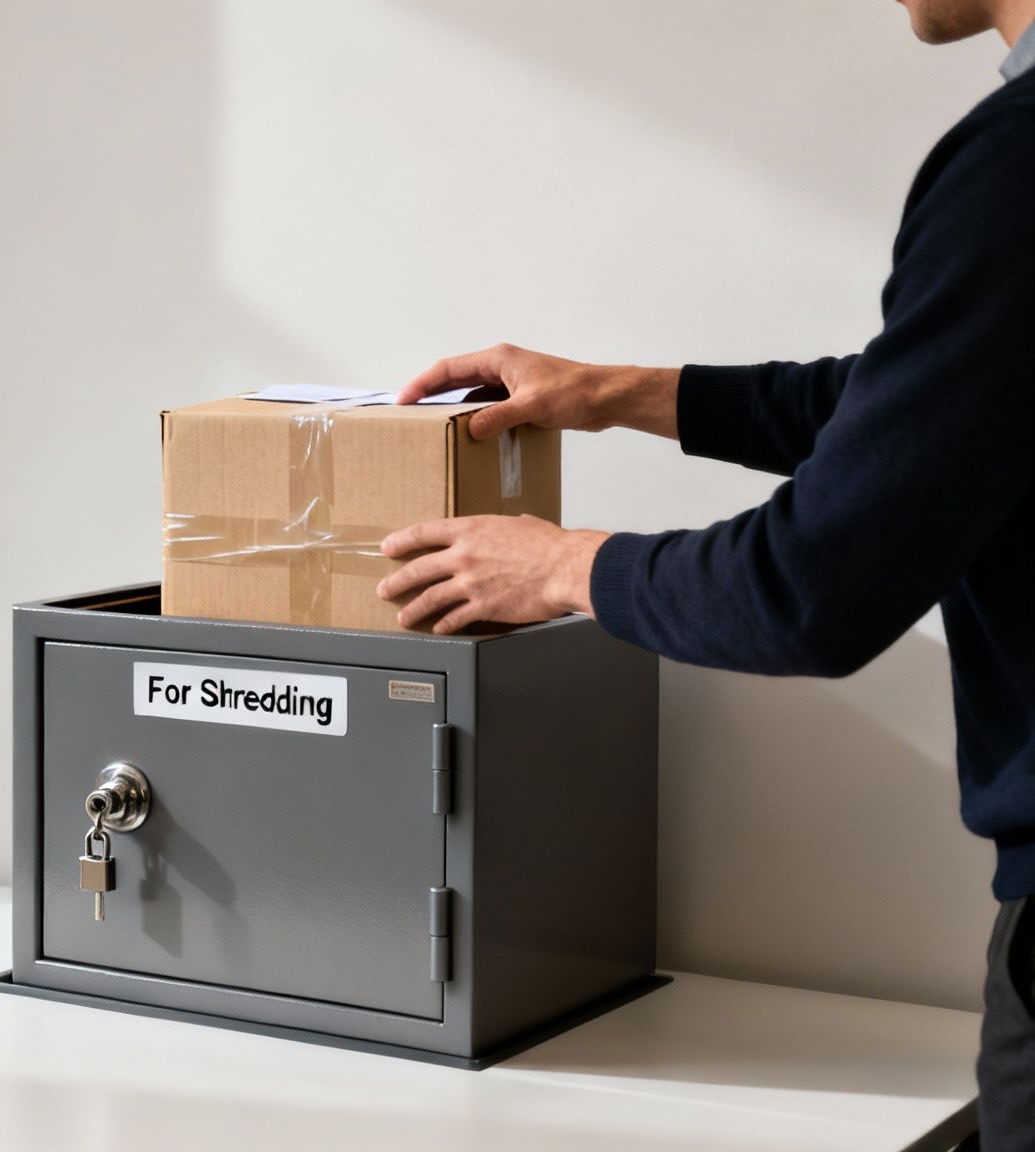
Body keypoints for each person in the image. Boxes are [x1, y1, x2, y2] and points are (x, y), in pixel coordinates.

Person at [376, 1, 1035, 1142]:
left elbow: (807, 591)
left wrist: (559, 569)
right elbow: (933, 407)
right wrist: (623, 394)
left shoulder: (1016, 162)